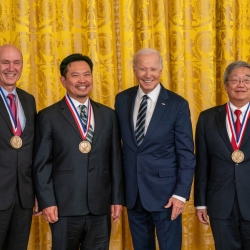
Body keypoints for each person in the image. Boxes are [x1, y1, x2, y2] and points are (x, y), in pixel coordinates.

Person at [33, 53, 125, 250]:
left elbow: (115, 160)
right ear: (63, 80)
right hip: (63, 207)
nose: (82, 80)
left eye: (87, 74)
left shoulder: (108, 115)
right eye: (75, 75)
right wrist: (47, 201)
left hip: (100, 207)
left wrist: (117, 198)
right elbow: (41, 164)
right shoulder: (48, 116)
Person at [115, 48, 196, 250]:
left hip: (167, 196)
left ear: (160, 71)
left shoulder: (177, 105)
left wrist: (180, 194)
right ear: (134, 70)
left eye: (153, 69)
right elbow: (118, 148)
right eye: (142, 69)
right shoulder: (122, 99)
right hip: (134, 194)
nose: (148, 74)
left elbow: (186, 154)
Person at [194, 61, 250, 250]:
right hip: (220, 202)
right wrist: (200, 203)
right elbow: (202, 163)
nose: (240, 85)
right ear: (226, 86)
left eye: (246, 80)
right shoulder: (207, 118)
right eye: (235, 80)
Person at [0, 44, 37, 249]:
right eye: (5, 62)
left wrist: (36, 193)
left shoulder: (28, 100)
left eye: (16, 62)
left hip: (23, 197)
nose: (11, 68)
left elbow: (31, 149)